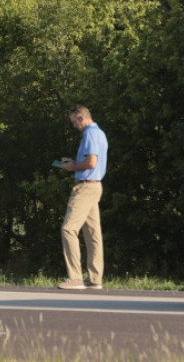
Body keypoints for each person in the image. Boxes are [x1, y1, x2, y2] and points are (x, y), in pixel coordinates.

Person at [57, 104, 108, 290]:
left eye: (74, 122)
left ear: (81, 118)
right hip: (96, 186)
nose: (74, 126)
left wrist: (72, 167)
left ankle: (75, 278)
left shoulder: (90, 134)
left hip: (85, 187)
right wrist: (74, 163)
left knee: (68, 229)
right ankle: (95, 278)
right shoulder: (100, 133)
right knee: (93, 234)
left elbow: (91, 162)